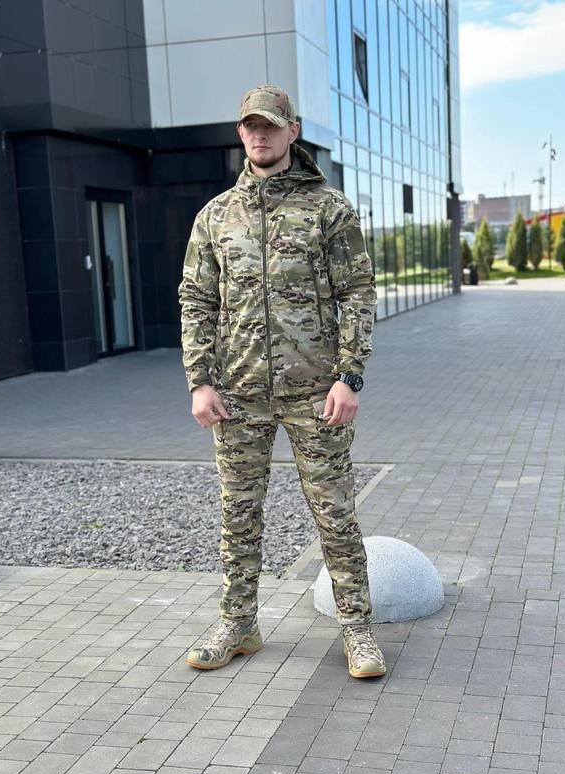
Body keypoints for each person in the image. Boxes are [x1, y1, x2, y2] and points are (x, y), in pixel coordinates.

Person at [178, 84, 386, 679]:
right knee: (238, 514)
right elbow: (196, 300)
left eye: (270, 124)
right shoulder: (216, 215)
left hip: (316, 394)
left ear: (293, 130)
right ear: (240, 133)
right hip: (237, 394)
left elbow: (356, 293)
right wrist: (200, 381)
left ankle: (358, 629)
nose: (260, 135)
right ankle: (238, 623)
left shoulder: (328, 209)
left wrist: (349, 376)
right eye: (250, 126)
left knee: (334, 514)